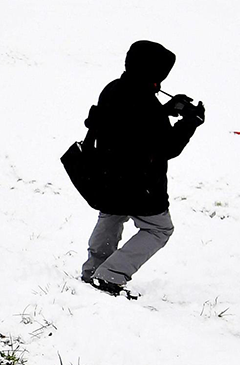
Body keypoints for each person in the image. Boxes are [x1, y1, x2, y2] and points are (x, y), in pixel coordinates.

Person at [79, 40, 205, 296]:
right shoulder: (147, 104)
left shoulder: (113, 88)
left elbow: (130, 121)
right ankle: (110, 275)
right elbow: (167, 146)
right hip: (139, 185)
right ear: (155, 73)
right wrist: (191, 122)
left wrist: (166, 109)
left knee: (112, 214)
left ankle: (94, 269)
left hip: (106, 177)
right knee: (159, 229)